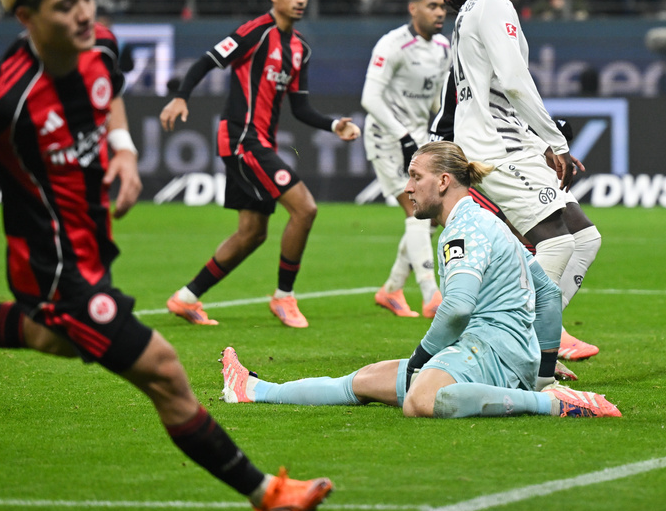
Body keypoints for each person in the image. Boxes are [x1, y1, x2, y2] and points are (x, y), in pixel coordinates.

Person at [0, 0, 332, 511]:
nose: (84, 14)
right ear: (27, 18)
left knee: (52, 338)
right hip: (56, 268)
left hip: (92, 247)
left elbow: (109, 87)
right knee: (166, 373)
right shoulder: (3, 95)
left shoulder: (100, 46)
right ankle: (266, 493)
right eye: (66, 6)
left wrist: (122, 150)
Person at [219, 141, 621, 420]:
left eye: (415, 176)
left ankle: (550, 405)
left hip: (489, 351)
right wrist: (543, 369)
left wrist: (422, 356)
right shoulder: (486, 220)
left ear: (443, 181)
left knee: (420, 400)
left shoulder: (463, 230)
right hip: (504, 351)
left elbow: (458, 307)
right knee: (365, 380)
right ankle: (254, 390)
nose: (408, 187)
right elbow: (548, 295)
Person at [160, 0, 361, 328]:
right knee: (305, 209)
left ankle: (185, 298)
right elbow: (208, 60)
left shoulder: (300, 49)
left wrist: (333, 124)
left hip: (259, 142)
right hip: (241, 138)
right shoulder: (254, 32)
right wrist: (181, 97)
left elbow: (300, 107)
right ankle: (284, 297)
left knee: (252, 233)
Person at [440, 0, 601, 363]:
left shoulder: (471, 10)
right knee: (557, 244)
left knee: (585, 239)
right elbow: (513, 81)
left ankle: (540, 333)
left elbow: (494, 89)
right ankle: (517, 349)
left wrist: (540, 140)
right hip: (498, 148)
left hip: (509, 141)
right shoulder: (493, 6)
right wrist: (555, 139)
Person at [360, 0, 450, 319]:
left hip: (418, 138)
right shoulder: (392, 44)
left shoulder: (443, 47)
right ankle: (431, 294)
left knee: (426, 217)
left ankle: (392, 289)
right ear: (413, 9)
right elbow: (370, 98)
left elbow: (435, 100)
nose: (440, 12)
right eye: (432, 6)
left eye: (442, 6)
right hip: (387, 137)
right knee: (416, 212)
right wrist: (401, 134)